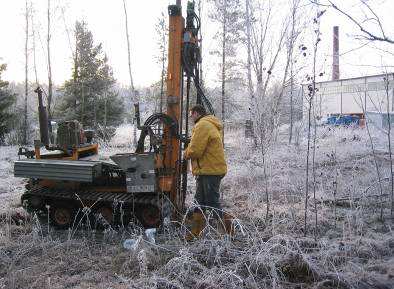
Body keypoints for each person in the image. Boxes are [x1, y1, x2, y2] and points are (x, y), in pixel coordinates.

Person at [184, 104, 227, 218]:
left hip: (210, 171)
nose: (191, 117)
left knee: (212, 203)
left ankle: (223, 229)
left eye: (191, 114)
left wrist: (185, 153)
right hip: (209, 170)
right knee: (199, 201)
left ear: (197, 113)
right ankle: (197, 226)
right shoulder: (208, 124)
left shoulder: (202, 125)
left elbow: (195, 151)